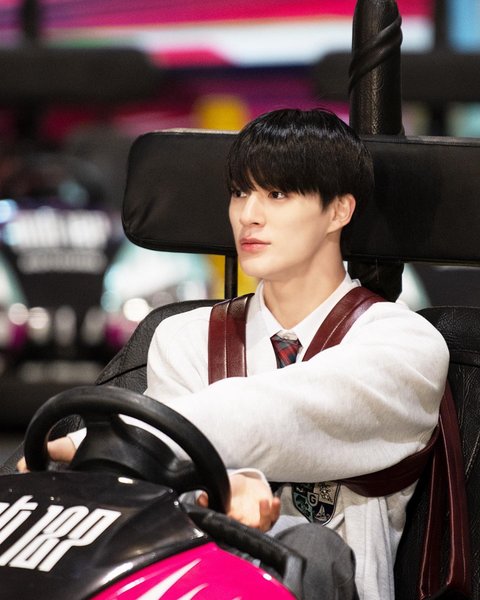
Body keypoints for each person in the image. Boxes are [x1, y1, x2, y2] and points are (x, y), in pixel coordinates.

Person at [18, 108, 449, 600]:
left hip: (332, 586)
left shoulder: (404, 344)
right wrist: (222, 483)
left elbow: (282, 415)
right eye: (241, 192)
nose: (249, 215)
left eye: (278, 194)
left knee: (310, 546)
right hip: (186, 584)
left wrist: (110, 441)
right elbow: (159, 495)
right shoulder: (183, 337)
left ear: (338, 211)